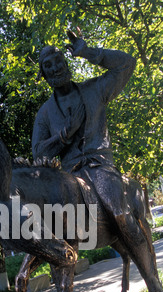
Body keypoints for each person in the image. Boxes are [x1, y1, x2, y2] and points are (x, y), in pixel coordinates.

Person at [32, 29, 151, 266]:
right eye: (48, 66)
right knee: (50, 230)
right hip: (69, 177)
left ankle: (153, 282)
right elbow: (38, 152)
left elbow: (126, 64)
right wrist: (65, 134)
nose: (55, 68)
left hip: (100, 166)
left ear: (67, 64)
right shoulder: (44, 113)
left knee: (121, 214)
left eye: (59, 62)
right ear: (44, 75)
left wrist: (87, 52)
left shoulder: (95, 90)